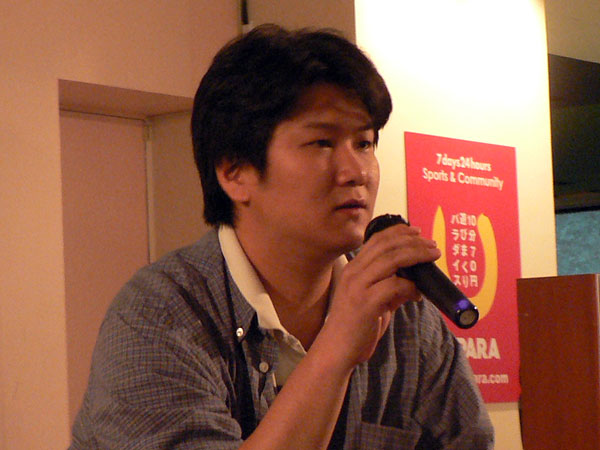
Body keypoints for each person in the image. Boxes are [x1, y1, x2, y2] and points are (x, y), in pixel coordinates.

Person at [70, 24, 494, 449]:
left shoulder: (403, 314)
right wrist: (338, 345)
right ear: (234, 172)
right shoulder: (159, 315)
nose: (356, 172)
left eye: (364, 143)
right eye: (322, 143)